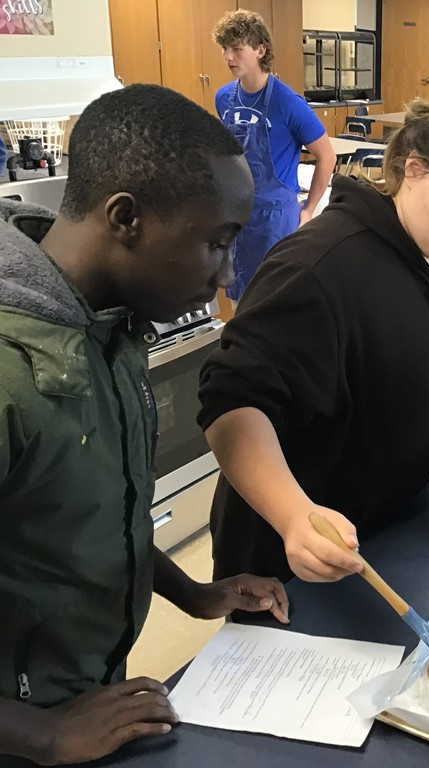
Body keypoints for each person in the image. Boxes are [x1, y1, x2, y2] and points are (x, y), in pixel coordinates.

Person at [0, 84, 290, 767]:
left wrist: (191, 592)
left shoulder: (109, 329)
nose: (224, 277)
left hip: (76, 697)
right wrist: (40, 736)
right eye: (215, 245)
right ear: (125, 218)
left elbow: (83, 517)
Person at [197, 99, 429, 584]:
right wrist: (293, 516)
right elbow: (231, 407)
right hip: (295, 553)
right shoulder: (318, 269)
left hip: (393, 535)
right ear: (413, 169)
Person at [213, 9, 335, 301]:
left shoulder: (287, 103)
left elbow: (326, 156)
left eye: (237, 49)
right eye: (225, 49)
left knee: (273, 299)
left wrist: (307, 209)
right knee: (238, 296)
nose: (229, 57)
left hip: (275, 220)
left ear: (260, 50)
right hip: (237, 215)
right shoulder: (223, 98)